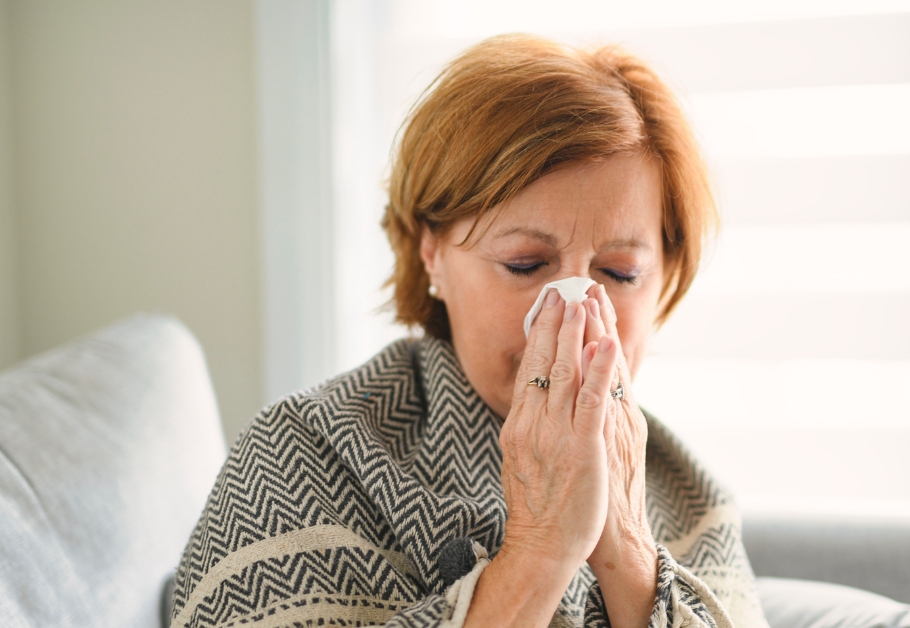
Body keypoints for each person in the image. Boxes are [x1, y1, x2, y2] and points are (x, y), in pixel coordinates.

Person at [171, 34, 768, 628]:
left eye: (620, 273)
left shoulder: (691, 495)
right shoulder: (302, 455)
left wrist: (630, 553)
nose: (575, 315)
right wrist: (540, 548)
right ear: (431, 252)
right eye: (525, 265)